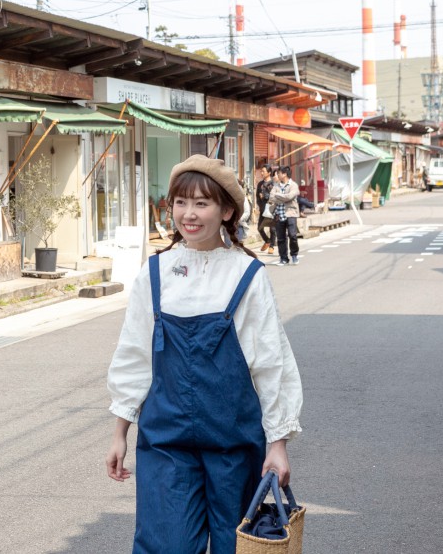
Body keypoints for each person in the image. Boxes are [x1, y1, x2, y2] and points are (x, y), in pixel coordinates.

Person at [106, 155, 303, 554]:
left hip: (234, 441)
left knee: (238, 546)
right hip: (165, 442)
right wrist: (119, 432)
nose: (188, 214)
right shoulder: (155, 272)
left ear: (226, 210)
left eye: (201, 203)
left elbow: (271, 362)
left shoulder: (246, 275)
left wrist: (277, 444)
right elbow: (134, 354)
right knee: (166, 545)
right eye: (180, 202)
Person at [268, 165, 301, 266]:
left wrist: (278, 196)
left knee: (293, 235)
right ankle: (283, 258)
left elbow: (290, 196)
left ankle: (294, 255)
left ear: (284, 174)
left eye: (279, 173)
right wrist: (283, 197)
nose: (277, 175)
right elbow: (271, 197)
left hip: (291, 213)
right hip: (278, 214)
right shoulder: (276, 186)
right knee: (281, 238)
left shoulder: (293, 185)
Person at [255, 164, 275, 254]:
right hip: (263, 208)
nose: (262, 173)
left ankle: (272, 246)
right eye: (261, 171)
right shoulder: (260, 184)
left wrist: (265, 196)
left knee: (272, 229)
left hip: (272, 208)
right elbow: (257, 196)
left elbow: (274, 196)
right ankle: (267, 241)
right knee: (259, 228)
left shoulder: (273, 184)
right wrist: (259, 205)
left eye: (264, 171)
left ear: (269, 173)